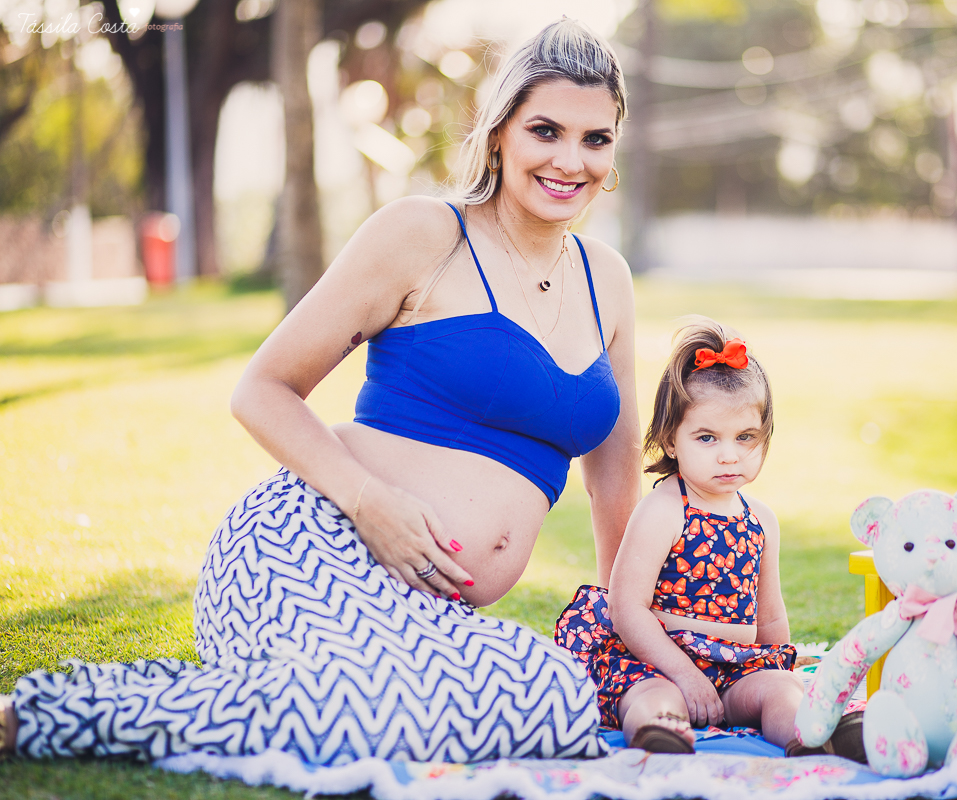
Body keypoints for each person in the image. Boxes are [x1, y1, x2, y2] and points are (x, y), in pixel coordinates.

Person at [0, 19, 640, 765]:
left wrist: (626, 638)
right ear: (499, 134)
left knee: (554, 699)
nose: (571, 160)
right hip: (313, 543)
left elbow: (615, 481)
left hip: (425, 609)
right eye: (546, 131)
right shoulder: (424, 235)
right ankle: (42, 715)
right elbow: (262, 389)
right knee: (362, 711)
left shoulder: (608, 282)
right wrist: (374, 506)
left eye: (596, 139)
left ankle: (254, 701)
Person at [555, 319, 865, 759]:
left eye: (745, 438)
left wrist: (780, 665)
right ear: (671, 440)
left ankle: (811, 732)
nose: (728, 454)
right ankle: (660, 732)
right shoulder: (666, 508)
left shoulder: (761, 520)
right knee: (651, 695)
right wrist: (684, 675)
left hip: (734, 669)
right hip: (659, 658)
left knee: (780, 689)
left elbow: (770, 619)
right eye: (707, 437)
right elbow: (626, 609)